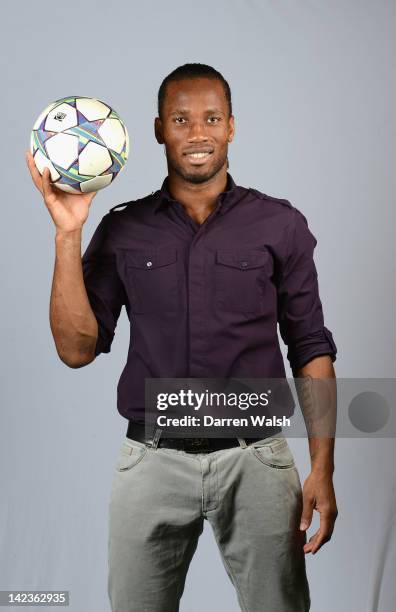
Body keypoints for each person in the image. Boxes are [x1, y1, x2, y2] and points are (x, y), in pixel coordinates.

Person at [26, 63, 338, 612]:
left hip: (256, 460)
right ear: (156, 129)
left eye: (211, 118)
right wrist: (68, 234)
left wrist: (322, 468)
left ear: (232, 127)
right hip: (152, 460)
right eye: (181, 119)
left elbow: (310, 347)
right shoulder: (124, 228)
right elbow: (76, 349)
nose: (198, 133)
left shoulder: (280, 225)